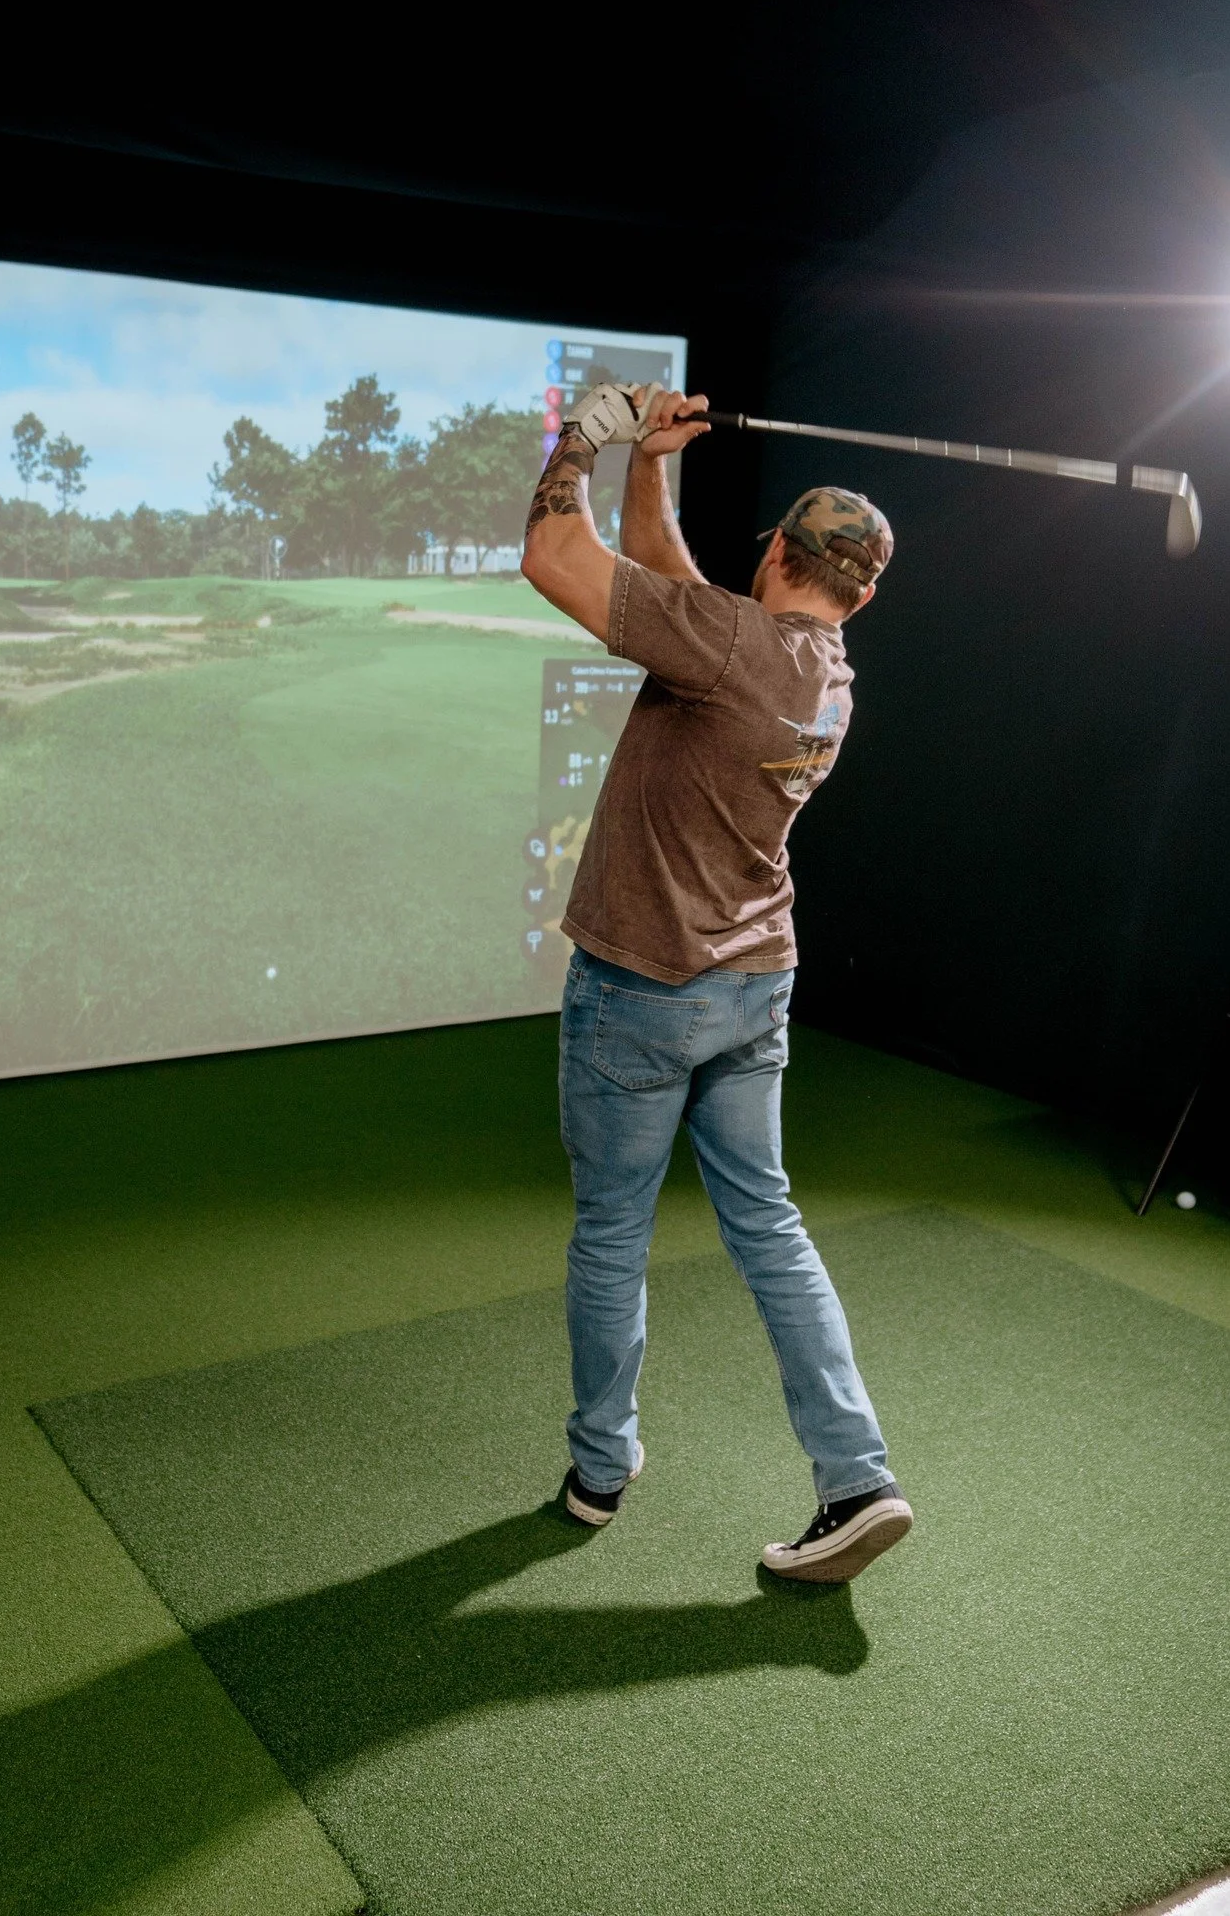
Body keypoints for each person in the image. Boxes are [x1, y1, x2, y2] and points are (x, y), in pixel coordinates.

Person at [519, 381, 912, 1583]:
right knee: (769, 1226)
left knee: (611, 1236)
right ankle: (859, 1476)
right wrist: (651, 470)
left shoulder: (734, 643)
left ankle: (600, 1469)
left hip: (642, 990)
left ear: (776, 553)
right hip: (755, 985)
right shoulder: (825, 667)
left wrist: (581, 436)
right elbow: (676, 596)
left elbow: (551, 556)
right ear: (861, 589)